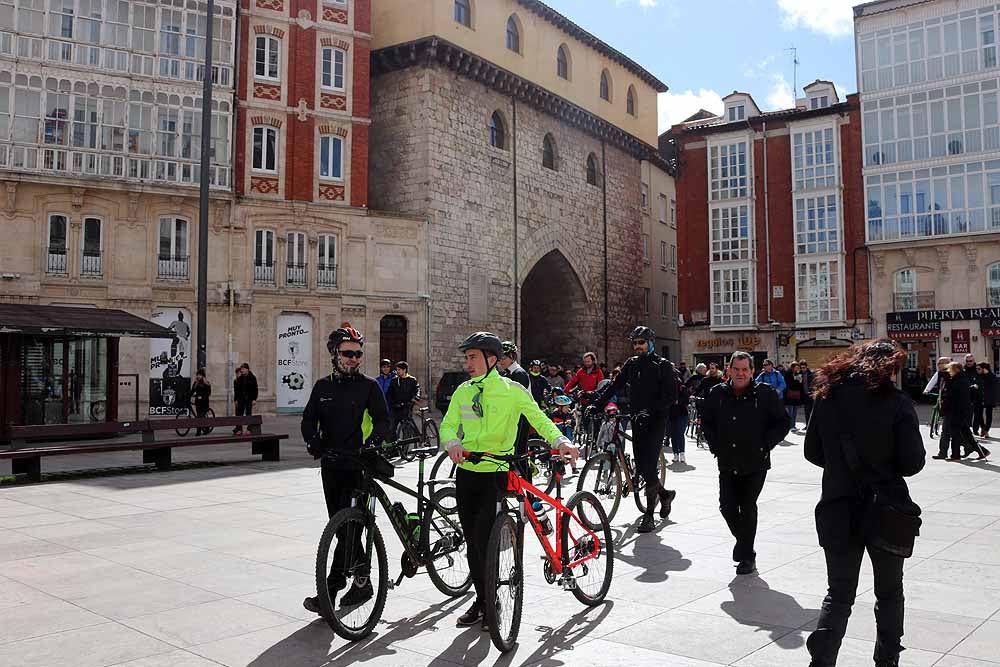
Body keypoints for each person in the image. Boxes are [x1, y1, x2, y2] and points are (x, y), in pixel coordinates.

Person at [440, 332, 577, 629]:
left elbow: (539, 419)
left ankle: (491, 604)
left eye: (473, 357)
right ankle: (482, 599)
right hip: (467, 473)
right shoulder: (464, 391)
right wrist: (451, 443)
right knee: (473, 543)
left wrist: (561, 439)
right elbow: (449, 424)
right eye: (466, 357)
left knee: (485, 540)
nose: (468, 363)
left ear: (491, 359)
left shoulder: (512, 390)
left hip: (497, 472)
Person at [803, 339, 926, 667]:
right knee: (888, 592)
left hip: (837, 506)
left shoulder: (827, 396)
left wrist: (842, 469)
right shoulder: (896, 402)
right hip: (885, 509)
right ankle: (887, 661)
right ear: (890, 367)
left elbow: (812, 452)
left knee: (839, 594)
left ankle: (822, 661)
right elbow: (913, 463)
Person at [300, 325, 394, 614]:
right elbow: (308, 420)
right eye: (348, 353)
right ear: (334, 354)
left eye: (357, 354)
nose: (354, 358)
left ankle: (330, 589)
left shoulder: (368, 386)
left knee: (349, 526)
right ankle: (362, 582)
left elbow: (382, 420)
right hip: (331, 464)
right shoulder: (322, 387)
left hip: (358, 466)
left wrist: (373, 442)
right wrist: (312, 441)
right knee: (340, 528)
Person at [700, 351, 789, 575]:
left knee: (748, 507)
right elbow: (707, 422)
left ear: (752, 371)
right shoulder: (717, 393)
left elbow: (783, 423)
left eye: (745, 370)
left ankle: (747, 556)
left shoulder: (765, 393)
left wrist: (765, 443)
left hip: (755, 462)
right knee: (727, 506)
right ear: (728, 370)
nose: (740, 374)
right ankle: (744, 544)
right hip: (727, 460)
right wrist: (715, 446)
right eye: (736, 369)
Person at [588, 326, 678, 533]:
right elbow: (614, 386)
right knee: (643, 465)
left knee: (647, 467)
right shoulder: (632, 364)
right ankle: (664, 495)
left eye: (641, 343)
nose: (637, 346)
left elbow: (670, 396)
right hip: (637, 420)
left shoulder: (662, 365)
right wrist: (597, 404)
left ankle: (648, 515)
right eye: (635, 343)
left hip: (656, 421)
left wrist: (651, 410)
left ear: (650, 343)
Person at [936, 362, 990, 461]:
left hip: (957, 410)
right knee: (966, 433)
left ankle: (955, 455)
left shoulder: (958, 380)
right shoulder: (960, 378)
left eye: (950, 370)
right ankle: (982, 451)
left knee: (955, 433)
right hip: (961, 410)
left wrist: (944, 408)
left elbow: (952, 396)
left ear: (955, 369)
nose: (949, 372)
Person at [386, 361, 421, 436]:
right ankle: (393, 445)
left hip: (407, 407)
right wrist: (391, 402)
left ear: (404, 370)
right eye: (397, 370)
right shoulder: (394, 380)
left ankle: (406, 444)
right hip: (395, 407)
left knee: (406, 427)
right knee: (391, 428)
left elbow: (417, 390)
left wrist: (416, 397)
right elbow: (389, 393)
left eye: (399, 370)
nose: (397, 371)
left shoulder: (412, 380)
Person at [669, 368, 691, 464]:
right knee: (673, 434)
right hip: (672, 413)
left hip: (682, 413)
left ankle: (682, 453)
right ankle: (675, 453)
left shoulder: (682, 388)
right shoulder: (667, 388)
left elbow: (687, 399)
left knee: (680, 433)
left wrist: (678, 401)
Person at [233, 363, 258, 435]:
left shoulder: (252, 378)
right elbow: (237, 391)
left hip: (249, 399)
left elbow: (255, 389)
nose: (242, 371)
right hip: (241, 399)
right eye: (241, 369)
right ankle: (239, 429)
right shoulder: (240, 378)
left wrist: (254, 399)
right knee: (239, 414)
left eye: (243, 369)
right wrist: (236, 400)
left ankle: (249, 429)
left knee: (248, 414)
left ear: (247, 369)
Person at [784, 362, 806, 431]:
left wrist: (798, 381)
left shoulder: (798, 374)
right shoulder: (788, 374)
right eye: (796, 367)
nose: (797, 369)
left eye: (798, 368)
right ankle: (791, 426)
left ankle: (793, 425)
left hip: (796, 395)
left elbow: (800, 385)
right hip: (790, 394)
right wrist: (796, 380)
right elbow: (789, 384)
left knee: (795, 411)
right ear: (792, 367)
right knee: (790, 411)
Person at [977, 362, 996, 438]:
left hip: (989, 398)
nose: (977, 370)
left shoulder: (991, 376)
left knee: (989, 415)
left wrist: (987, 374)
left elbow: (993, 382)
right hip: (979, 398)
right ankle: (983, 427)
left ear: (984, 369)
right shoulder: (978, 376)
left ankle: (986, 430)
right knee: (978, 414)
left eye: (979, 369)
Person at [191, 368, 212, 436]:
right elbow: (192, 391)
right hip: (198, 403)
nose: (198, 376)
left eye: (200, 375)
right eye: (197, 375)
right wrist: (187, 395)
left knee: (200, 416)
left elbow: (208, 393)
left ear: (203, 376)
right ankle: (206, 428)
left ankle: (199, 431)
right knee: (200, 416)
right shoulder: (195, 383)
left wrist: (202, 397)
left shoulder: (206, 383)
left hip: (204, 403)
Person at [799, 360, 815, 425]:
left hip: (811, 394)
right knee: (806, 411)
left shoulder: (811, 373)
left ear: (806, 367)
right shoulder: (799, 374)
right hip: (804, 395)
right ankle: (807, 425)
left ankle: (812, 425)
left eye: (804, 367)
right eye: (801, 368)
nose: (802, 369)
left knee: (812, 411)